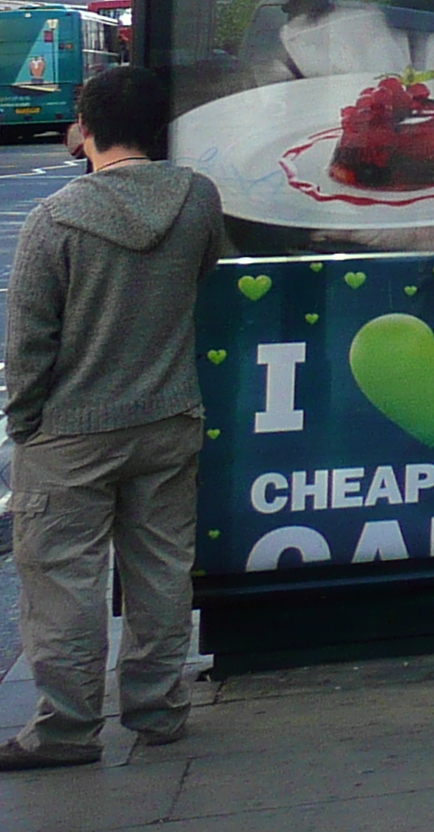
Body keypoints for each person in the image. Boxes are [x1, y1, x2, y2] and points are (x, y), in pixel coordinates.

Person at [2, 66, 226, 772]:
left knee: (65, 579)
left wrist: (24, 424)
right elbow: (203, 272)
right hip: (168, 415)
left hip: (71, 431)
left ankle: (66, 730)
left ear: (85, 127)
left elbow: (29, 341)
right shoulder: (196, 199)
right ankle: (158, 709)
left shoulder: (57, 217)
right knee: (161, 570)